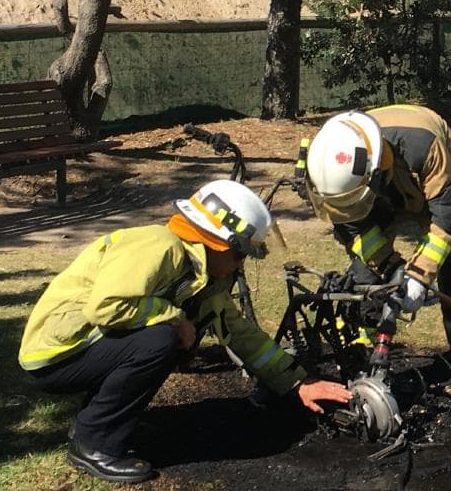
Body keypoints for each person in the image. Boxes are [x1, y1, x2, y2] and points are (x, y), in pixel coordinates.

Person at [18, 179, 352, 484]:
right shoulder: (159, 246)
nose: (240, 265)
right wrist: (177, 319)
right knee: (159, 340)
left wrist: (297, 383)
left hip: (84, 348)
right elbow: (106, 307)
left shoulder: (202, 277)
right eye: (240, 254)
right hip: (56, 354)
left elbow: (240, 334)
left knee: (163, 338)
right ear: (220, 242)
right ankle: (93, 444)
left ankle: (99, 420)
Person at [302, 106, 451, 392]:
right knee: (365, 277)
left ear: (377, 170)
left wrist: (419, 277)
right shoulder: (325, 167)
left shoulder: (425, 147)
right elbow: (351, 227)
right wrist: (389, 267)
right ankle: (362, 354)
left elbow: (447, 215)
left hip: (439, 184)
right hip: (378, 194)